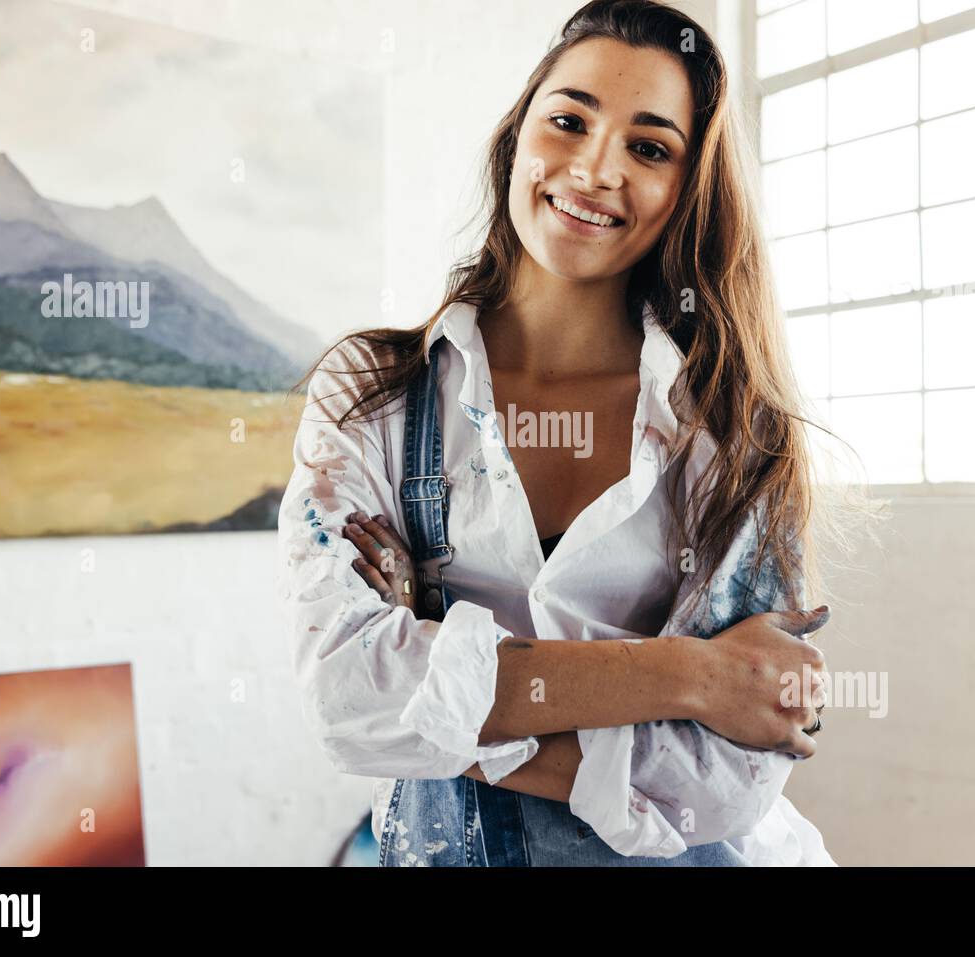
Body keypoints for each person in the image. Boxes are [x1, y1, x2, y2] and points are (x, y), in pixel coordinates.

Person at [279, 0, 866, 866]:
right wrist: (691, 677)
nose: (595, 168)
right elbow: (344, 696)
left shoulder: (735, 429)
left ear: (685, 190)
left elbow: (725, 779)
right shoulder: (374, 394)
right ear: (518, 136)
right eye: (570, 120)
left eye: (649, 146)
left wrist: (440, 674)